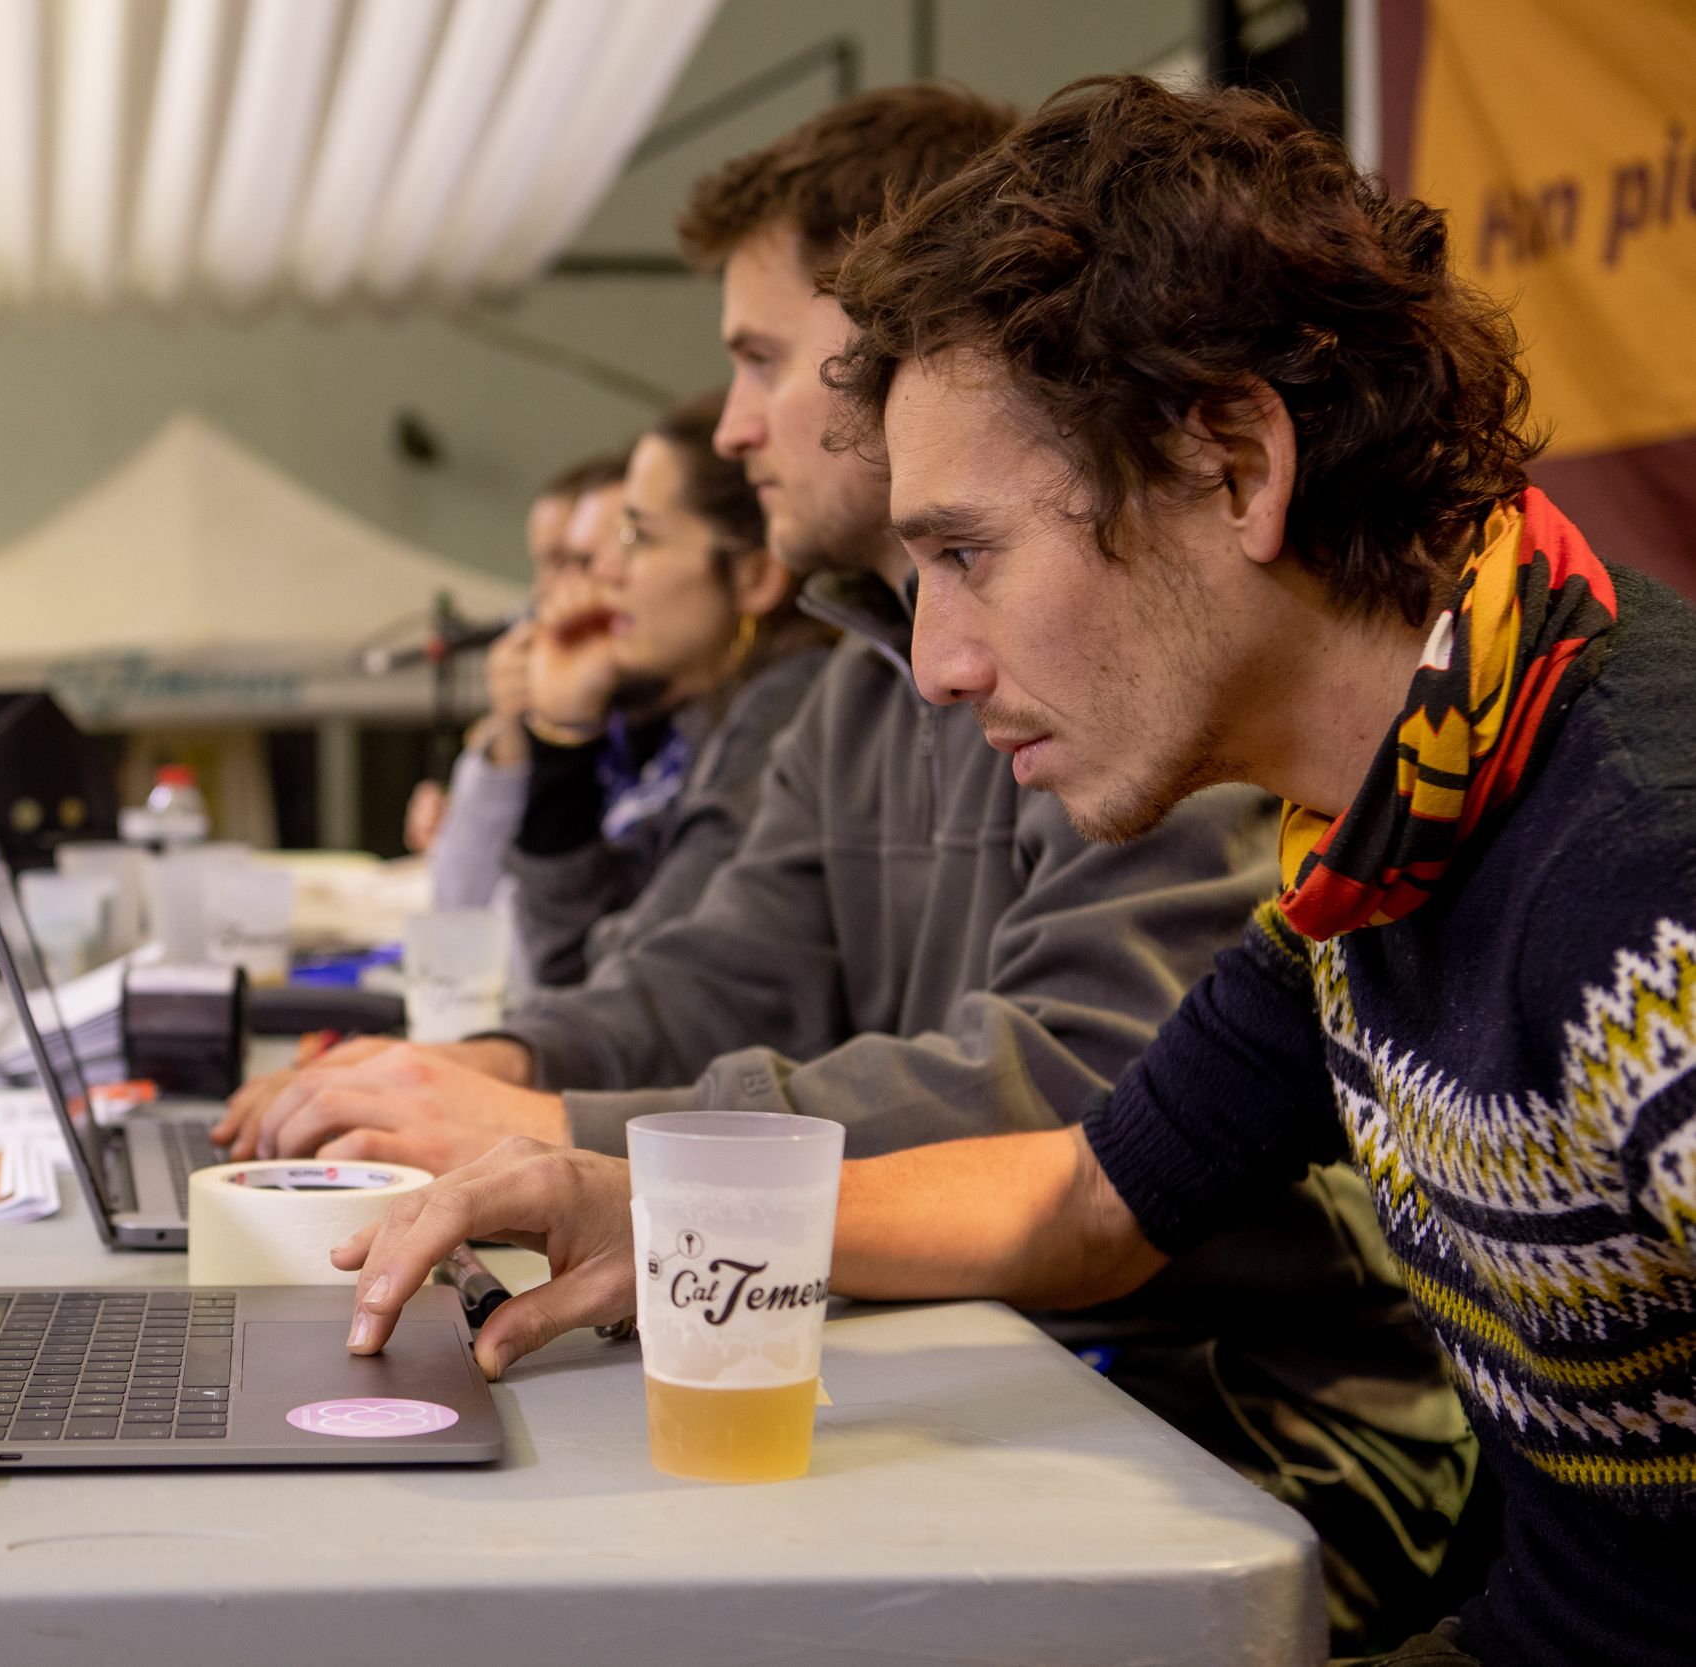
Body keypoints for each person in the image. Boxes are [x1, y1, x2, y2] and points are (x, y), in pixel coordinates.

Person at [339, 75, 1696, 1667]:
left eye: (969, 555)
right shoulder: (1383, 837)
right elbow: (1090, 1191)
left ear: (1235, 465)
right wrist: (646, 1203)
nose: (936, 661)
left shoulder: (1640, 874)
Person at [508, 392, 834, 987]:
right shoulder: (706, 717)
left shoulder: (784, 717)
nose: (606, 572)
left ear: (755, 576)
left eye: (639, 538)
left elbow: (607, 980)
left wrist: (563, 742)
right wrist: (563, 733)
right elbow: (572, 964)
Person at [423, 456, 627, 912]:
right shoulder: (542, 716)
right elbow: (458, 907)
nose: (546, 592)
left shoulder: (639, 732)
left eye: (576, 560)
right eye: (548, 564)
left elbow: (528, 948)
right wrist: (508, 739)